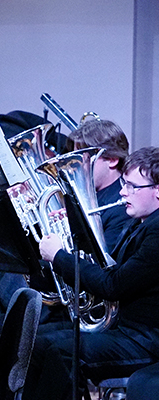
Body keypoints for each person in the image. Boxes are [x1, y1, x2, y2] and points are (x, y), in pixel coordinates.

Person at [24, 146, 159, 400]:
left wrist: (60, 257)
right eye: (123, 184)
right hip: (124, 330)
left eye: (132, 186)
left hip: (145, 340)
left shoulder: (157, 231)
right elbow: (108, 266)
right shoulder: (139, 222)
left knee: (60, 352)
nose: (122, 192)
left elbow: (113, 285)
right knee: (36, 343)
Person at [69, 119, 132, 251]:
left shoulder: (122, 206)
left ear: (112, 160)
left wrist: (58, 255)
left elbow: (102, 263)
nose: (75, 166)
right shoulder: (91, 194)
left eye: (83, 158)